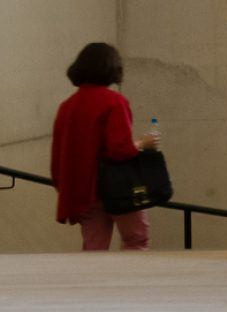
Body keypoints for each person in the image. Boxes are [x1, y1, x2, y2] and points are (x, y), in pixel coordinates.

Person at [50, 41, 156, 253]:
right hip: (120, 188)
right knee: (136, 241)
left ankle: (95, 286)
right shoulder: (114, 102)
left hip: (84, 191)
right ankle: (130, 285)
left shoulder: (67, 107)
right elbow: (121, 150)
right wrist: (143, 143)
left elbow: (58, 158)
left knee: (93, 249)